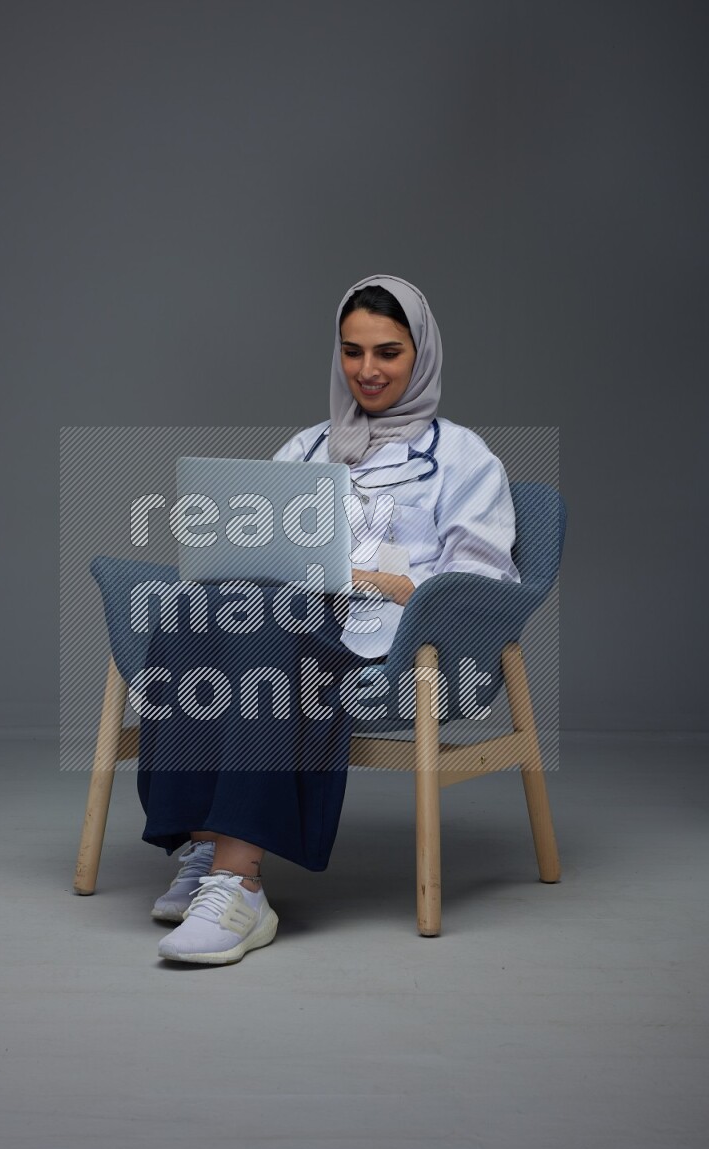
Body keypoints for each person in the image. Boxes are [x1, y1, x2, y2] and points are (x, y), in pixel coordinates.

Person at [138, 274, 520, 965]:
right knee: (191, 607)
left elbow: (484, 582)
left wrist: (377, 580)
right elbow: (256, 544)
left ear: (421, 354)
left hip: (393, 644)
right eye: (352, 351)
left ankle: (239, 883)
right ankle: (201, 847)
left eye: (388, 352)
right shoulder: (309, 448)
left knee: (265, 627)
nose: (367, 371)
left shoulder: (465, 458)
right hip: (296, 616)